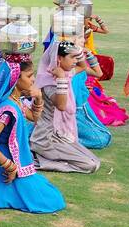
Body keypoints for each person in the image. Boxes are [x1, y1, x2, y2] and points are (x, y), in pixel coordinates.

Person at [0, 56, 66, 213]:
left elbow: (34, 117)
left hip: (17, 159)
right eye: (29, 75)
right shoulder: (8, 109)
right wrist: (10, 167)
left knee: (51, 196)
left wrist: (38, 98)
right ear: (15, 78)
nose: (33, 80)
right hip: (5, 163)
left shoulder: (16, 101)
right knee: (49, 201)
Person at [30, 41, 101, 174]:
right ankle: (37, 163)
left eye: (76, 57)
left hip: (58, 136)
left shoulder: (67, 73)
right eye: (72, 57)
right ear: (59, 58)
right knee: (90, 165)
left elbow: (83, 66)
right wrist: (61, 78)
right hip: (45, 139)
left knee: (95, 161)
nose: (76, 61)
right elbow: (61, 106)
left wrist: (81, 52)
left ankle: (41, 157)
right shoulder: (49, 82)